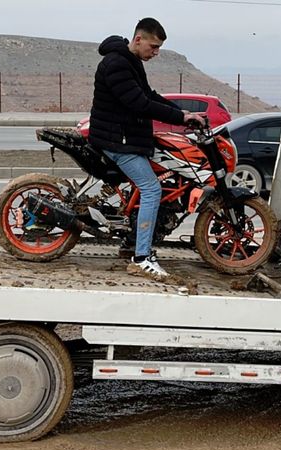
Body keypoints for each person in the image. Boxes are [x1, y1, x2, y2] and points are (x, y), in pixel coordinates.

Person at [88, 17, 204, 280]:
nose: (156, 52)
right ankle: (141, 258)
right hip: (118, 142)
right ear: (138, 39)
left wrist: (184, 113)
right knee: (152, 189)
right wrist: (180, 118)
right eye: (153, 46)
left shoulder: (131, 61)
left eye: (158, 47)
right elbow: (139, 104)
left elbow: (149, 95)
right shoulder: (116, 64)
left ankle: (130, 241)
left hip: (125, 138)